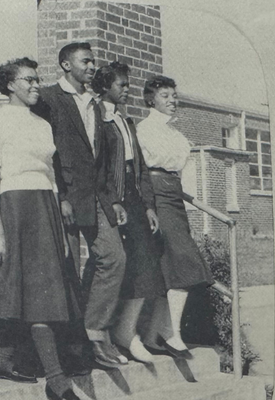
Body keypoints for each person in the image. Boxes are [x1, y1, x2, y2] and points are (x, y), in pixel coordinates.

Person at [0, 57, 82, 400]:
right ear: (10, 84)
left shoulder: (42, 124)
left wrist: (59, 229)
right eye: (28, 80)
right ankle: (56, 381)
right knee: (33, 292)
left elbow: (51, 177)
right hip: (15, 208)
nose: (36, 85)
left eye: (37, 79)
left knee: (37, 289)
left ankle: (5, 355)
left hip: (45, 210)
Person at [32, 42, 127, 370]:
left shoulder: (95, 105)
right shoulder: (47, 98)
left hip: (96, 197)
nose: (91, 67)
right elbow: (42, 149)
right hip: (64, 197)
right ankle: (72, 349)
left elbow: (101, 158)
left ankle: (95, 331)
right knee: (67, 271)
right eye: (85, 61)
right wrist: (59, 196)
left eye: (92, 61)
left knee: (114, 258)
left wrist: (112, 199)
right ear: (64, 64)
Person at [90, 62, 165, 364]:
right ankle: (103, 333)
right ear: (105, 86)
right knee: (113, 263)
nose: (127, 89)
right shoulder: (97, 118)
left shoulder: (126, 120)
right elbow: (98, 168)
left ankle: (127, 330)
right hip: (111, 197)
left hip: (133, 197)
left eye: (127, 83)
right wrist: (111, 201)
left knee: (146, 261)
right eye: (121, 84)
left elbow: (141, 167)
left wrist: (148, 205)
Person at [137, 75, 215, 359]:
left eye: (174, 95)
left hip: (173, 193)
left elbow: (178, 164)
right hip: (156, 195)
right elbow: (143, 170)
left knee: (171, 267)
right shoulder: (145, 130)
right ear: (150, 99)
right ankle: (172, 334)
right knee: (183, 261)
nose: (172, 101)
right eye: (165, 96)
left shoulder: (174, 134)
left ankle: (152, 335)